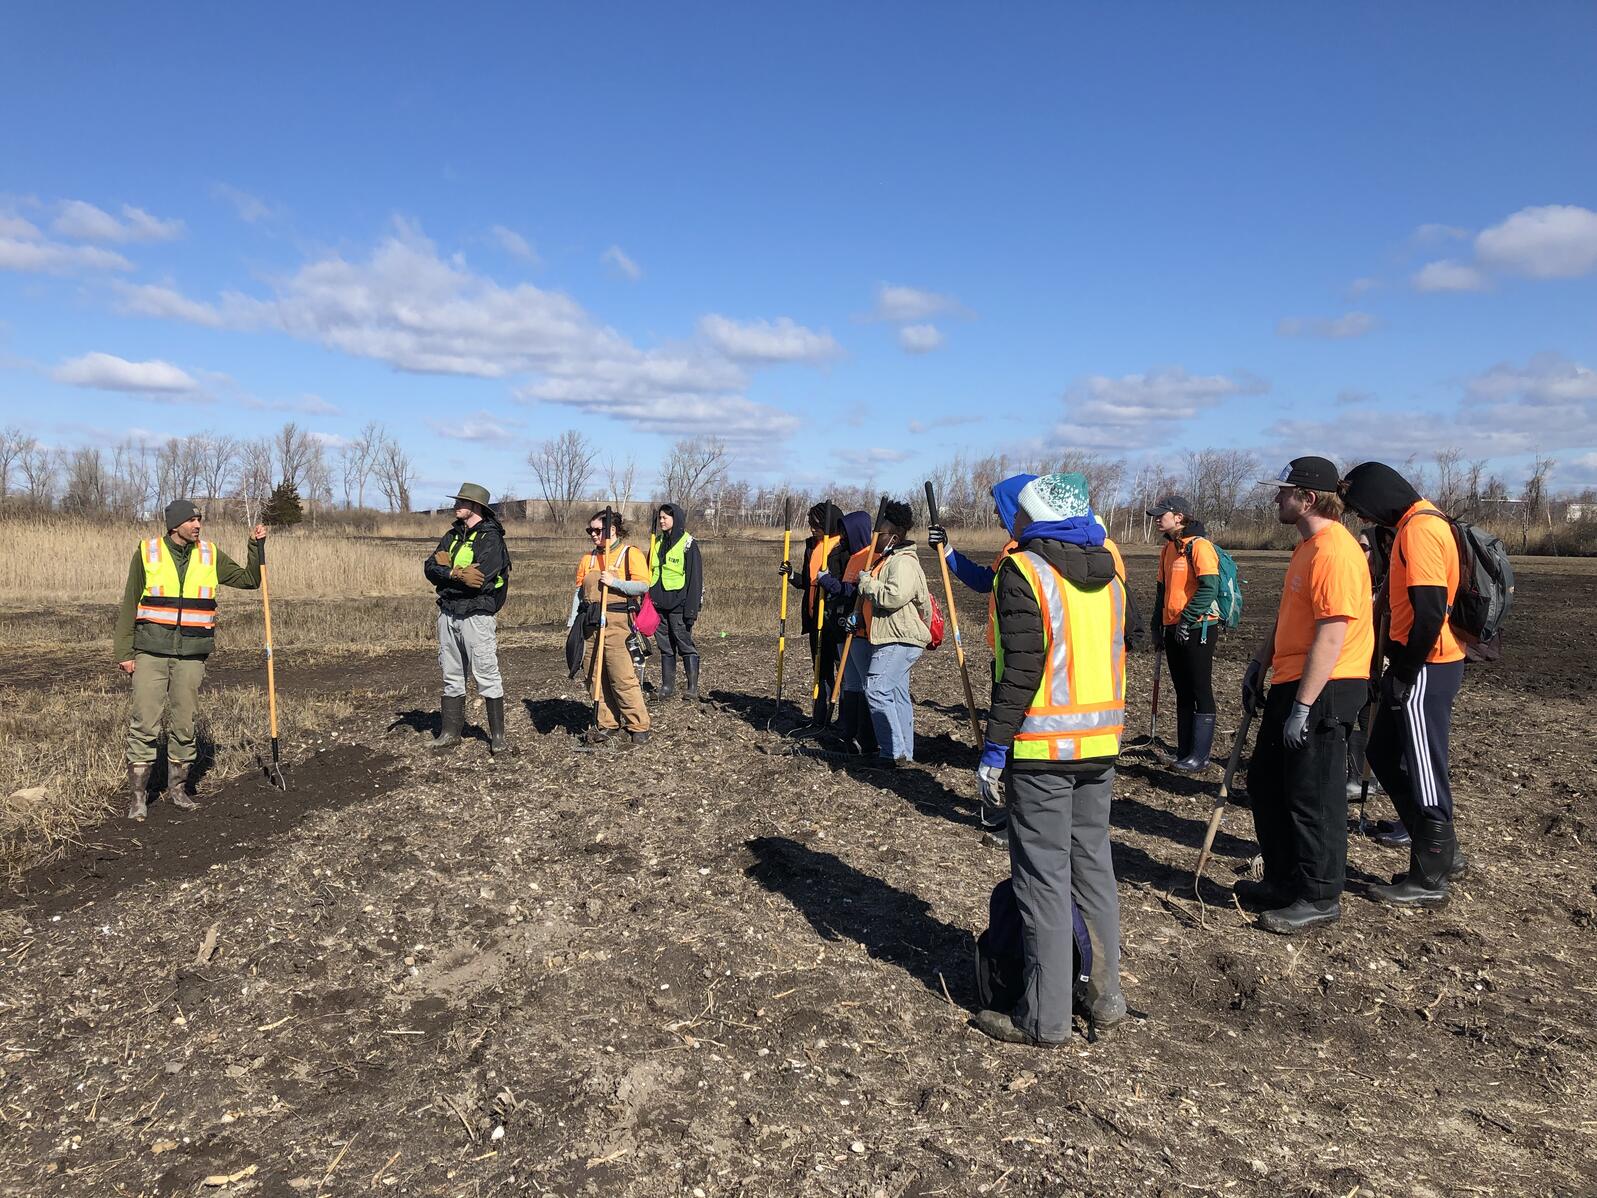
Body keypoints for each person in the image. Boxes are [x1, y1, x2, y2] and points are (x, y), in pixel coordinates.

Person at [971, 472, 1128, 1045]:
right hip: (1100, 747)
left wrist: (993, 747)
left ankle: (1045, 1017)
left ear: (1032, 517)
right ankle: (1106, 996)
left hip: (1041, 750)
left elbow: (1022, 669)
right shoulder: (1111, 571)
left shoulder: (1026, 571)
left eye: (1015, 516)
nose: (1009, 524)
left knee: (1041, 882)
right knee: (1094, 871)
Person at [1239, 457, 1373, 934]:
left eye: (1284, 491)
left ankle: (1319, 896)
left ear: (1308, 499)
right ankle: (1282, 880)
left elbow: (1332, 635)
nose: (1276, 498)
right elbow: (1290, 617)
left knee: (1312, 796)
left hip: (1326, 687)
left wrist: (1303, 706)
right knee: (1267, 784)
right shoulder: (1307, 548)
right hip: (1292, 680)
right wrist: (1261, 661)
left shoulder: (1335, 551)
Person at [1340, 462, 1469, 906]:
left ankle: (1431, 874)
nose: (1364, 520)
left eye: (1363, 509)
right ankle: (1438, 850)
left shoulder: (1420, 530)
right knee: (1380, 752)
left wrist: (1404, 671)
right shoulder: (1418, 523)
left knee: (1424, 766)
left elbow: (1430, 611)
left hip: (1427, 666)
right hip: (1420, 664)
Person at [116, 499, 265, 820]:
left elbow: (250, 580)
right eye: (192, 520)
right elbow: (129, 603)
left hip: (191, 656)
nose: (198, 525)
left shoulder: (209, 555)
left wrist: (255, 546)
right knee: (144, 723)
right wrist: (124, 652)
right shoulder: (148, 552)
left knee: (184, 724)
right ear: (174, 525)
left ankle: (179, 791)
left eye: (199, 520)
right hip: (150, 652)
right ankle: (139, 798)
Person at [423, 483, 511, 755]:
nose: (456, 505)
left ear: (475, 507)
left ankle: (497, 737)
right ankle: (450, 732)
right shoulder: (452, 535)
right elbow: (430, 568)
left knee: (486, 673)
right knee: (451, 674)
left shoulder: (492, 539)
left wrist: (449, 572)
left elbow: (480, 581)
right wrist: (454, 575)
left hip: (477, 614)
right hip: (448, 612)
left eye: (461, 501)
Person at [854, 500, 934, 766]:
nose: (876, 538)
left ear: (894, 537)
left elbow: (893, 596)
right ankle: (905, 756)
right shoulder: (889, 559)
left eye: (881, 534)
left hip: (898, 638)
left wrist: (866, 584)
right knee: (897, 694)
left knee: (876, 689)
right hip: (892, 637)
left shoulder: (902, 563)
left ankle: (892, 754)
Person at [1146, 496, 1221, 772]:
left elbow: (1208, 587)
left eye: (1161, 514)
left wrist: (1188, 619)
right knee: (1182, 691)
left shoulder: (1200, 547)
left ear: (1178, 517)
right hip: (1172, 628)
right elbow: (1161, 593)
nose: (1156, 519)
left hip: (1199, 628)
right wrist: (1157, 627)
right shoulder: (1167, 550)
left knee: (1200, 688)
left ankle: (1200, 757)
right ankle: (1184, 753)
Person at [574, 510, 651, 747]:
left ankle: (638, 725)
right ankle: (607, 723)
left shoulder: (630, 554)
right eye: (591, 531)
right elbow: (578, 594)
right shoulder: (587, 559)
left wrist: (614, 582)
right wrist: (573, 626)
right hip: (591, 624)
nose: (594, 535)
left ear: (612, 531)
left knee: (621, 675)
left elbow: (643, 585)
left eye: (598, 530)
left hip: (618, 623)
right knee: (593, 674)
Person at [816, 510, 877, 755]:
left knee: (864, 683)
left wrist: (830, 583)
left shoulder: (871, 556)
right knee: (850, 682)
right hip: (843, 629)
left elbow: (856, 592)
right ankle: (848, 732)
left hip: (861, 632)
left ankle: (867, 737)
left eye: (846, 532)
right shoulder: (850, 557)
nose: (842, 537)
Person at [780, 501, 846, 726]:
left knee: (844, 672)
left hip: (835, 621)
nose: (811, 528)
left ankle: (846, 719)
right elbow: (809, 584)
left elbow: (845, 587)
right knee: (820, 669)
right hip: (814, 620)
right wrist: (791, 576)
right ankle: (820, 718)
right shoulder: (812, 547)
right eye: (810, 524)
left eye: (816, 524)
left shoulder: (842, 548)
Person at [648, 502, 703, 702]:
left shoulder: (689, 544)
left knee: (685, 645)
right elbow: (651, 571)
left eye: (665, 517)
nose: (662, 521)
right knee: (665, 647)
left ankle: (692, 688)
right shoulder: (658, 542)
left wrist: (691, 610)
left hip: (679, 605)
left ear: (675, 519)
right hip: (658, 604)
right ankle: (667, 686)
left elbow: (694, 579)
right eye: (660, 517)